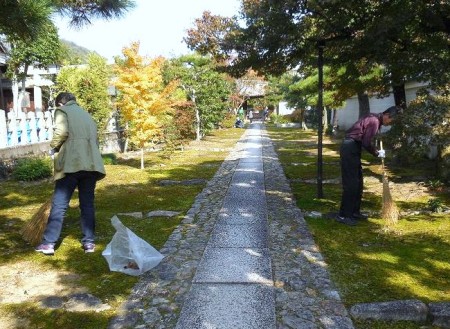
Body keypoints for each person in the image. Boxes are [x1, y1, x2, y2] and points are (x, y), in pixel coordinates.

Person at [35, 92, 106, 255]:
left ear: (60, 103)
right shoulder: (87, 115)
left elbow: (61, 132)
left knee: (60, 204)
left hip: (72, 164)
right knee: (87, 204)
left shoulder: (63, 111)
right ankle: (89, 243)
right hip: (91, 165)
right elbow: (95, 140)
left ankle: (48, 244)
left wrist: (53, 147)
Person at [337, 106, 402, 226]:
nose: (390, 123)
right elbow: (366, 142)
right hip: (350, 147)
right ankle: (344, 215)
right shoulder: (374, 121)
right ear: (387, 115)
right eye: (391, 120)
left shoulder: (374, 118)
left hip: (353, 147)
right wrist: (377, 153)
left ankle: (354, 212)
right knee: (351, 183)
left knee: (359, 182)